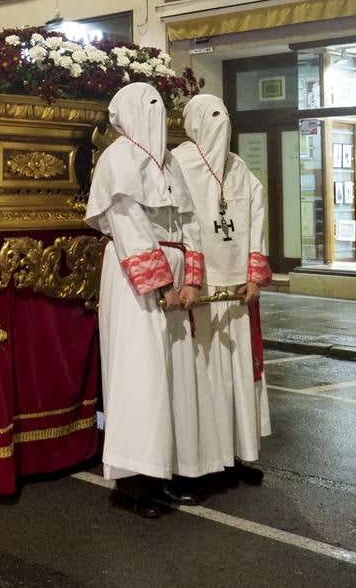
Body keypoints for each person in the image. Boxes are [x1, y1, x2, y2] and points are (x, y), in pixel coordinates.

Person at [85, 82, 216, 519]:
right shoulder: (118, 160)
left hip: (175, 280)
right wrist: (161, 284)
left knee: (173, 377)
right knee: (140, 377)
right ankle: (132, 482)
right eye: (150, 106)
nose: (158, 113)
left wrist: (192, 281)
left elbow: (190, 221)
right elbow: (128, 228)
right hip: (135, 282)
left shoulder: (167, 164)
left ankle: (163, 473)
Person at [172, 95, 271, 485]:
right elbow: (178, 225)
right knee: (203, 372)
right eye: (211, 117)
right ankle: (201, 461)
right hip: (201, 289)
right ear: (194, 122)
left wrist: (253, 275)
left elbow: (257, 219)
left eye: (225, 116)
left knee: (235, 374)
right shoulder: (179, 164)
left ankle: (236, 453)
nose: (220, 124)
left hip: (235, 291)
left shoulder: (239, 168)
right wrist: (191, 279)